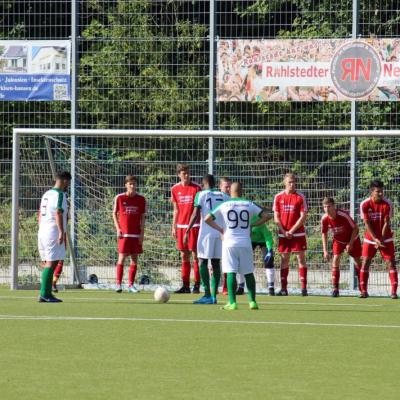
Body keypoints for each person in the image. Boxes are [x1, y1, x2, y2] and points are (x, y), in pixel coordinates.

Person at [205, 182, 269, 310]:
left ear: (230, 192)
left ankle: (232, 302)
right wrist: (253, 225)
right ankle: (252, 302)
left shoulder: (224, 204)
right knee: (248, 272)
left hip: (229, 243)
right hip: (245, 242)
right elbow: (267, 216)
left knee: (231, 272)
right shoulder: (249, 204)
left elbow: (207, 218)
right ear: (242, 191)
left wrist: (220, 229)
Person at [184, 174, 230, 304]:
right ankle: (214, 296)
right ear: (215, 184)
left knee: (203, 262)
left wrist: (187, 230)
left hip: (206, 234)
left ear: (203, 185)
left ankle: (207, 295)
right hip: (220, 234)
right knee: (216, 263)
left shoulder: (201, 194)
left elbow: (195, 214)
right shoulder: (225, 196)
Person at [359, 180, 398, 299]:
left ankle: (394, 292)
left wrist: (381, 239)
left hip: (385, 237)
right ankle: (363, 291)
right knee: (365, 262)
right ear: (371, 192)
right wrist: (375, 239)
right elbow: (367, 223)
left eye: (382, 191)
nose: (381, 194)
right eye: (378, 191)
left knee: (391, 262)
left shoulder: (388, 204)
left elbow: (387, 223)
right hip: (370, 238)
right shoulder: (364, 204)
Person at [37, 171, 71, 302]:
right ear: (64, 181)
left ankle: (46, 293)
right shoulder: (60, 194)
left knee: (52, 262)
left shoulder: (47, 194)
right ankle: (44, 294)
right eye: (68, 181)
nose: (68, 184)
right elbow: (58, 213)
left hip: (43, 230)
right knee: (51, 263)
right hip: (53, 231)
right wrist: (62, 231)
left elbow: (40, 214)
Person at [273, 173, 308, 296]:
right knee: (284, 260)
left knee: (301, 259)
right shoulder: (278, 197)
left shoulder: (300, 197)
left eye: (294, 182)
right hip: (283, 234)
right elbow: (276, 217)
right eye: (289, 182)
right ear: (284, 183)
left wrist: (292, 231)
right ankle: (284, 289)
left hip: (297, 234)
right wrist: (283, 231)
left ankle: (303, 288)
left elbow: (303, 216)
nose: (292, 184)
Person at [321, 197, 362, 297]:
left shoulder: (343, 215)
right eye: (325, 207)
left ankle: (362, 287)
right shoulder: (324, 218)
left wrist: (350, 243)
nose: (327, 209)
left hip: (353, 238)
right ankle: (335, 289)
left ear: (334, 206)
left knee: (357, 261)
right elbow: (324, 233)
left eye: (329, 206)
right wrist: (325, 250)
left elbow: (355, 228)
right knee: (335, 260)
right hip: (339, 240)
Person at [113, 175, 146, 293]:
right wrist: (118, 228)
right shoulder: (120, 198)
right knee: (121, 257)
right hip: (124, 234)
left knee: (134, 259)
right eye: (130, 184)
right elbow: (114, 214)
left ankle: (130, 285)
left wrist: (142, 233)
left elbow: (143, 217)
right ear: (126, 185)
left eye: (134, 184)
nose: (132, 186)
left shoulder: (141, 199)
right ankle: (118, 284)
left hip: (136, 234)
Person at [171, 164, 201, 293]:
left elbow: (199, 209)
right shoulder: (174, 189)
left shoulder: (197, 188)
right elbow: (176, 210)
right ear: (179, 175)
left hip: (194, 226)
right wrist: (173, 226)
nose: (186, 175)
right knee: (184, 255)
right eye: (183, 173)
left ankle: (197, 285)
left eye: (188, 173)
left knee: (195, 255)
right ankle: (186, 285)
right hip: (181, 226)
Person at [236, 214, 275, 296]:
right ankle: (241, 287)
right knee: (242, 261)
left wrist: (269, 249)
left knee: (269, 261)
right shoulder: (243, 224)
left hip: (263, 241)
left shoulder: (259, 224)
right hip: (249, 241)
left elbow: (268, 236)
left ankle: (271, 288)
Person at [219, 177, 232, 295]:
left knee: (227, 262)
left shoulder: (232, 201)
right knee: (213, 262)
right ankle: (213, 288)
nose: (228, 189)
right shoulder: (215, 199)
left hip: (226, 235)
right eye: (226, 186)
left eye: (230, 186)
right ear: (220, 187)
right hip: (214, 233)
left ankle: (225, 288)